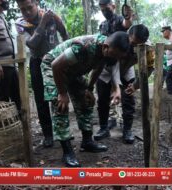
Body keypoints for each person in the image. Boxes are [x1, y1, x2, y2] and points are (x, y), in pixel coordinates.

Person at [41, 31, 130, 167]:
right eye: (114, 56)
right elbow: (56, 66)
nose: (115, 60)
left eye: (118, 57)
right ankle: (67, 152)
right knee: (60, 105)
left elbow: (98, 68)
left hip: (72, 70)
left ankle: (87, 142)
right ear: (105, 47)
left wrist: (89, 89)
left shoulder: (107, 53)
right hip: (53, 66)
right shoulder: (83, 47)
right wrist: (62, 93)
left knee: (86, 101)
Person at [15, 0, 69, 147]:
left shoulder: (51, 16)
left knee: (58, 95)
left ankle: (63, 134)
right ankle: (48, 135)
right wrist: (43, 23)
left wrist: (60, 24)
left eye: (29, 7)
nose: (26, 12)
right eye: (22, 9)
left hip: (56, 62)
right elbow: (32, 44)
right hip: (37, 62)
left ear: (36, 3)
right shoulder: (20, 24)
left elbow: (65, 35)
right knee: (40, 100)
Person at [94, 0, 134, 143]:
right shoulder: (103, 25)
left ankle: (127, 129)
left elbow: (126, 24)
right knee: (102, 97)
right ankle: (104, 128)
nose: (105, 11)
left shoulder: (119, 19)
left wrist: (128, 17)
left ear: (113, 6)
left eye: (107, 8)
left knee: (128, 97)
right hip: (106, 65)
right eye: (102, 9)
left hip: (124, 63)